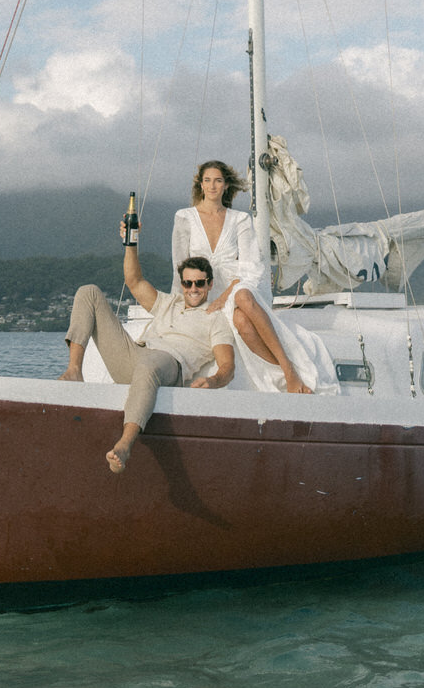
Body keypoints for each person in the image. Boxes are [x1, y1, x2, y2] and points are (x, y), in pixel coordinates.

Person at [59, 232, 235, 475]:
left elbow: (228, 367)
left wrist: (213, 380)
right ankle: (74, 370)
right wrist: (130, 243)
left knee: (150, 363)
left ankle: (125, 444)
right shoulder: (168, 303)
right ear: (182, 284)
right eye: (187, 283)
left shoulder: (215, 319)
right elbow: (134, 281)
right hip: (136, 356)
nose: (193, 289)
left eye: (200, 283)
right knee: (88, 292)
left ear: (210, 284)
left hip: (169, 364)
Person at [172, 159, 337, 396]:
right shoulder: (184, 217)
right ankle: (281, 374)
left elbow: (250, 266)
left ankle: (290, 371)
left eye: (218, 180)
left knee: (243, 296)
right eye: (207, 180)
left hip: (239, 283)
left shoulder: (239, 219)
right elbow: (179, 267)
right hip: (203, 289)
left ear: (226, 185)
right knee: (240, 321)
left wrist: (226, 295)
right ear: (200, 184)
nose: (212, 186)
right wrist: (180, 305)